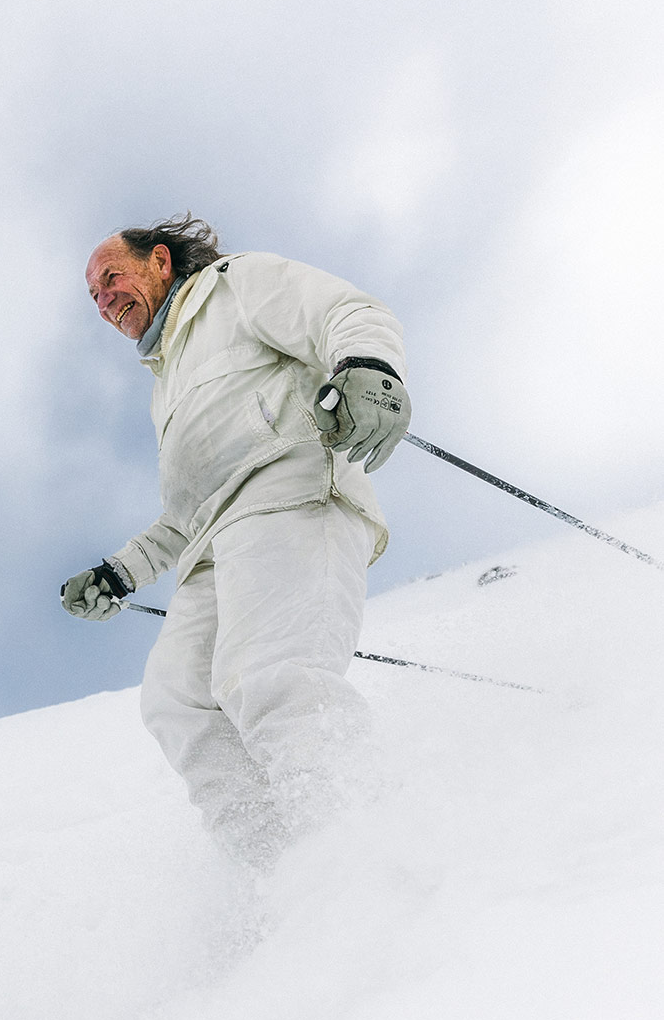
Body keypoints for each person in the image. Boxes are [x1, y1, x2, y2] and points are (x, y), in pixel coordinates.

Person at [61, 213, 410, 870]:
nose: (103, 299)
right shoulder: (167, 382)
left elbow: (344, 310)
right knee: (179, 701)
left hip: (289, 495)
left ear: (160, 262)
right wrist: (118, 574)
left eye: (111, 278)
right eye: (93, 295)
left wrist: (368, 371)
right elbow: (181, 515)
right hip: (211, 546)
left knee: (268, 676)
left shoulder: (233, 284)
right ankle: (274, 880)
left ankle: (368, 857)